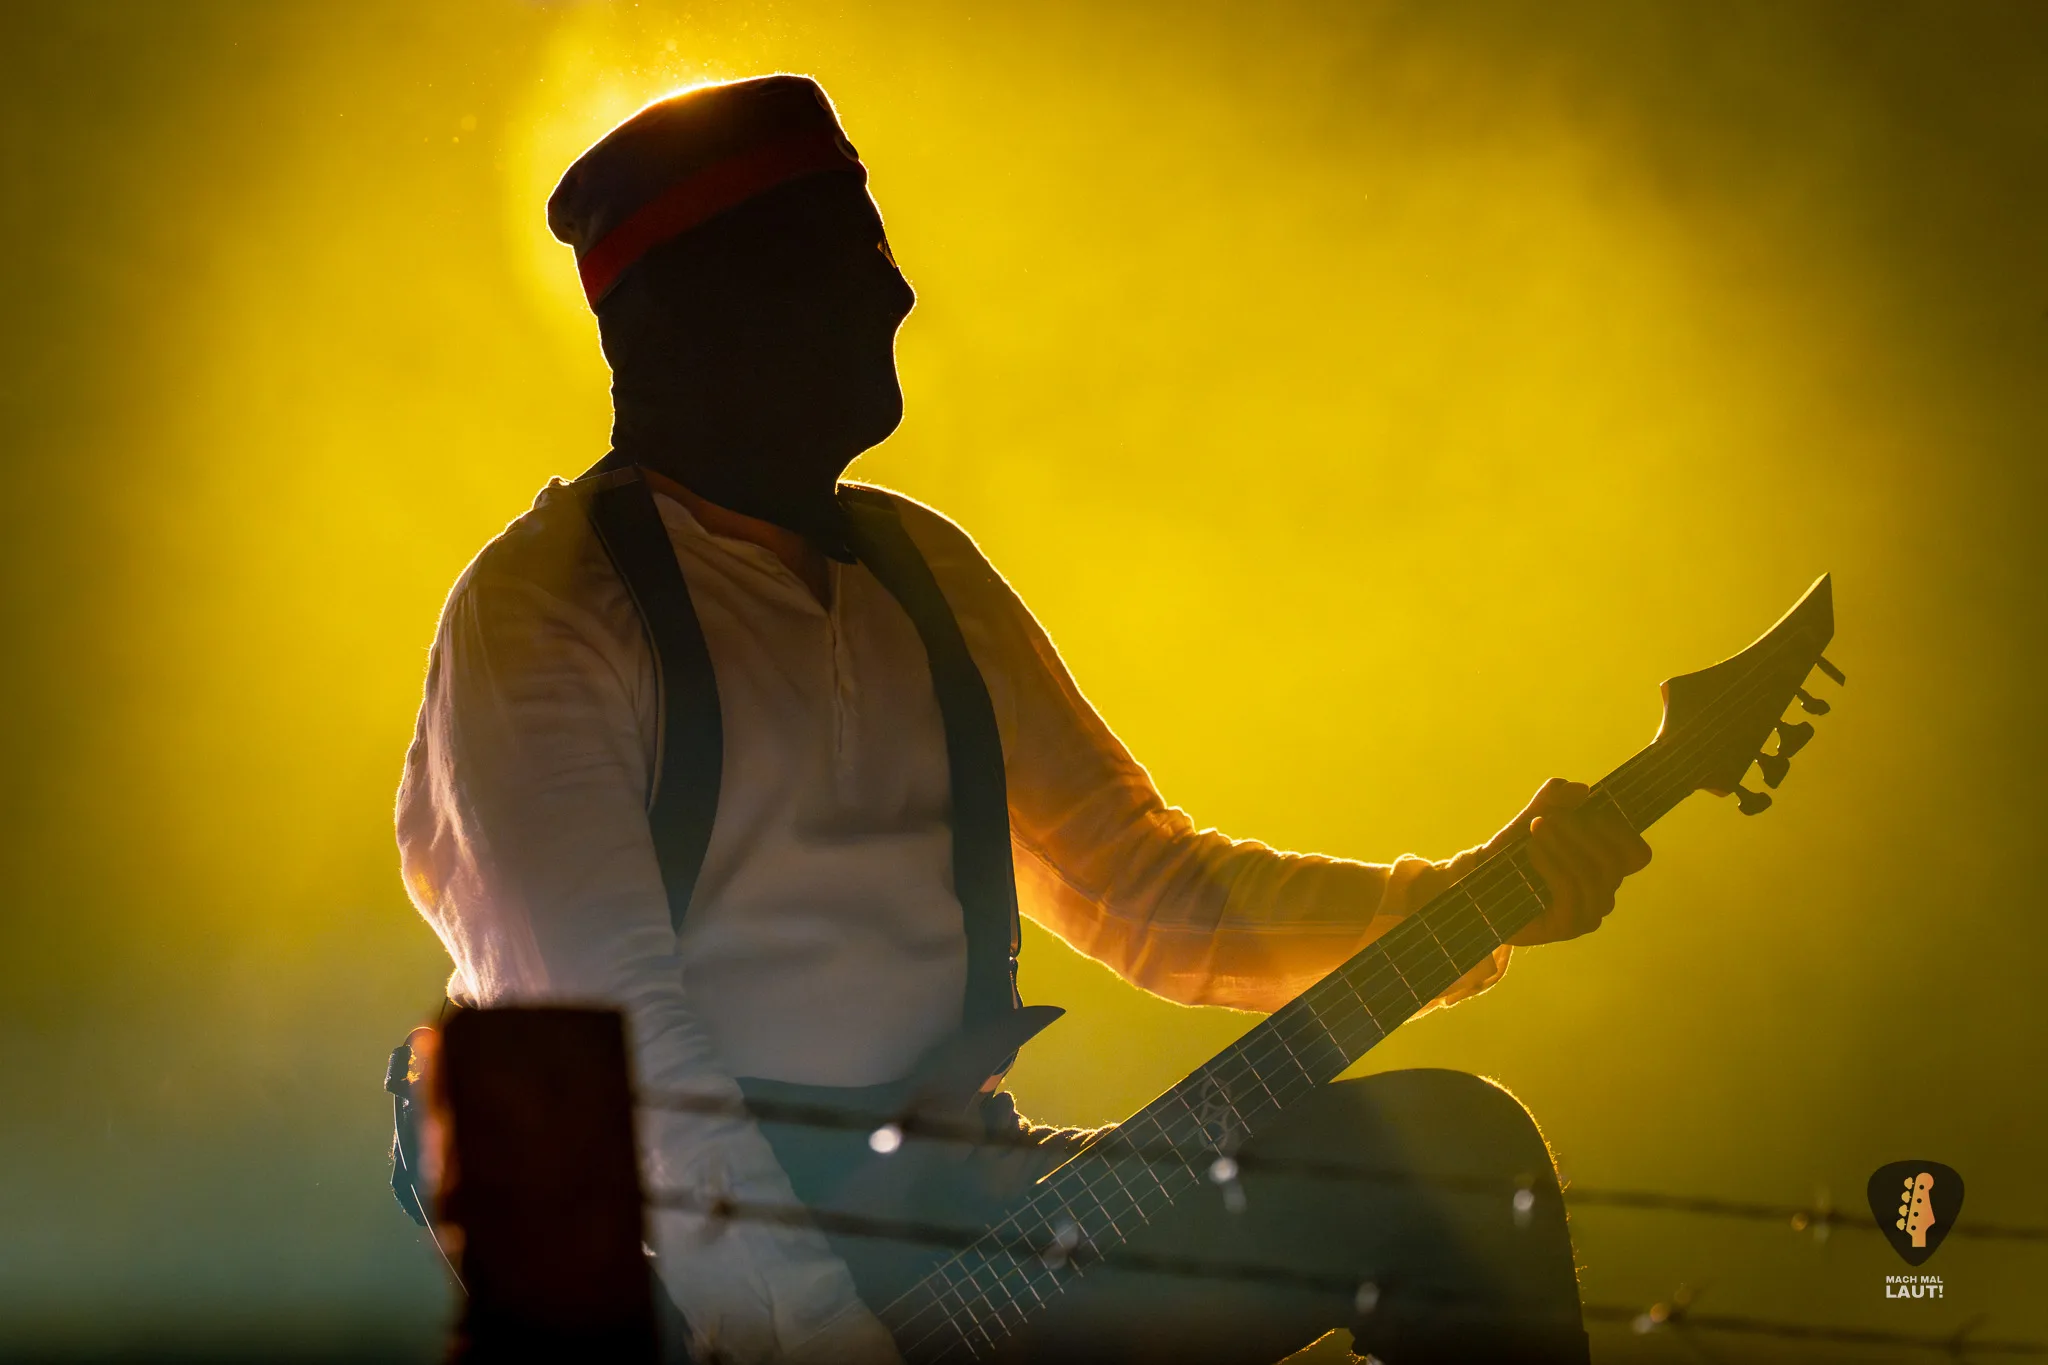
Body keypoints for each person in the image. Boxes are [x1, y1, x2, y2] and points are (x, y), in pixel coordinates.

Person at [394, 74, 1652, 1365]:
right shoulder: (543, 616)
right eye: (850, 255)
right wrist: (823, 1330)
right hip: (690, 1293)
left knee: (1454, 1163)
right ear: (700, 312)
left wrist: (1456, 904)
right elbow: (624, 1059)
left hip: (969, 1230)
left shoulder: (923, 571)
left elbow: (1143, 888)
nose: (897, 296)